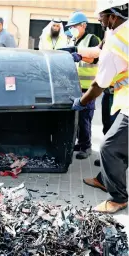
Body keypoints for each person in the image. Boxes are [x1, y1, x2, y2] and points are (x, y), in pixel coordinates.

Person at [72, 0, 128, 213]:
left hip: (124, 100)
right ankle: (105, 178)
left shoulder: (116, 44)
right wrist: (77, 50)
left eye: (102, 17)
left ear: (113, 16)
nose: (99, 21)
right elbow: (99, 50)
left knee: (109, 147)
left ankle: (118, 198)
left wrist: (81, 102)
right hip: (122, 98)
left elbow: (98, 85)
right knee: (120, 145)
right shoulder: (120, 31)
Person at [65, 11, 100, 160]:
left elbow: (96, 59)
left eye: (74, 26)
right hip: (75, 86)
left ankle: (86, 147)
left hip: (88, 87)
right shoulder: (73, 41)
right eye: (70, 26)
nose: (72, 29)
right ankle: (80, 142)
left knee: (85, 118)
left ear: (83, 25)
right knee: (77, 117)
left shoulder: (92, 39)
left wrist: (80, 56)